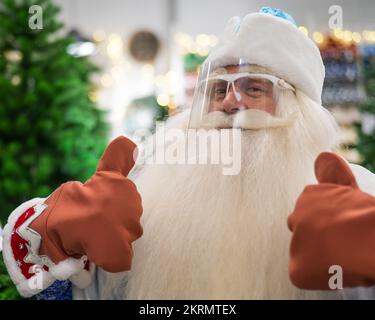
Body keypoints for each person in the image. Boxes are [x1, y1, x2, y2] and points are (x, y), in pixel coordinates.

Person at [3, 7, 375, 300]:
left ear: (299, 110)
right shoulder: (151, 194)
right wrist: (54, 236)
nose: (231, 101)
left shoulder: (354, 195)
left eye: (255, 87)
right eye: (217, 89)